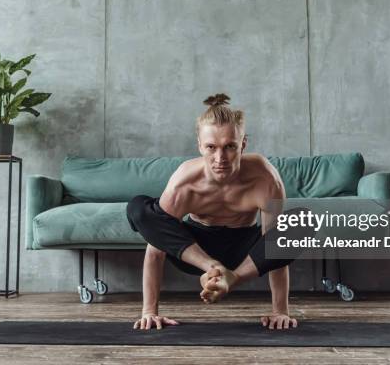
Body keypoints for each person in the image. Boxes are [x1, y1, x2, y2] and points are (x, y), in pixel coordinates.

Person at [126, 93, 297, 331]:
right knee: (138, 208)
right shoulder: (184, 182)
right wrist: (149, 312)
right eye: (211, 147)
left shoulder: (265, 178)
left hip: (244, 252)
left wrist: (280, 311)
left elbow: (275, 246)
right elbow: (156, 249)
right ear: (199, 145)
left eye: (229, 147)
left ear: (243, 144)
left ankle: (231, 277)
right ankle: (213, 267)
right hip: (195, 250)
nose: (220, 158)